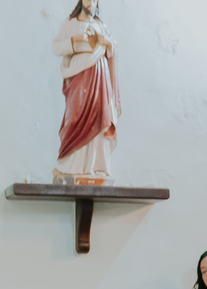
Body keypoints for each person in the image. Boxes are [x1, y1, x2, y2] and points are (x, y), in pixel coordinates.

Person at [51, 0, 120, 183]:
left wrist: (105, 41)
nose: (92, 2)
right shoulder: (70, 24)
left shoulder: (101, 26)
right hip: (78, 76)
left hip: (100, 77)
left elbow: (113, 49)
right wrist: (75, 40)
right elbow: (56, 47)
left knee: (99, 118)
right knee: (74, 118)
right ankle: (71, 165)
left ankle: (96, 167)